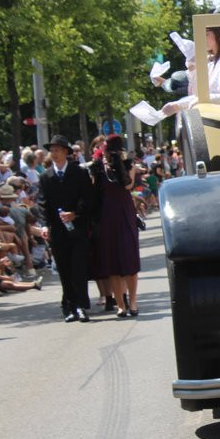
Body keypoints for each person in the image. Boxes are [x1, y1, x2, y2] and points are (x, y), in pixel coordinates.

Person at [37, 135, 94, 323]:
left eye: (57, 150)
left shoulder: (78, 172)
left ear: (66, 152)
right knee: (63, 268)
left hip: (77, 228)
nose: (54, 153)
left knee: (79, 267)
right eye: (51, 150)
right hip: (57, 230)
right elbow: (42, 203)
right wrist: (45, 225)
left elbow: (89, 198)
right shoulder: (46, 177)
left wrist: (75, 213)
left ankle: (82, 306)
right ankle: (68, 306)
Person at [90, 135, 142, 317]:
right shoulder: (98, 167)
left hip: (125, 213)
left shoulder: (128, 164)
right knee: (112, 260)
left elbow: (128, 185)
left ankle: (133, 302)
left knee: (129, 258)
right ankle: (120, 304)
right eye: (105, 150)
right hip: (107, 215)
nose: (107, 153)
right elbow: (94, 192)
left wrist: (119, 164)